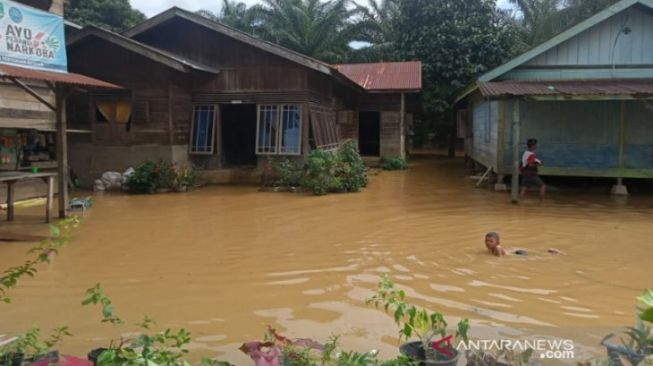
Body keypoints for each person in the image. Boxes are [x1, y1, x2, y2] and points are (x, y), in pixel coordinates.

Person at [485, 232, 564, 257]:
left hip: (517, 254)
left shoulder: (497, 248)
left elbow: (500, 259)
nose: (488, 243)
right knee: (534, 254)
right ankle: (549, 252)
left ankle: (551, 252)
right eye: (486, 241)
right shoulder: (492, 248)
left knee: (536, 255)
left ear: (497, 242)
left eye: (491, 241)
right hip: (515, 252)